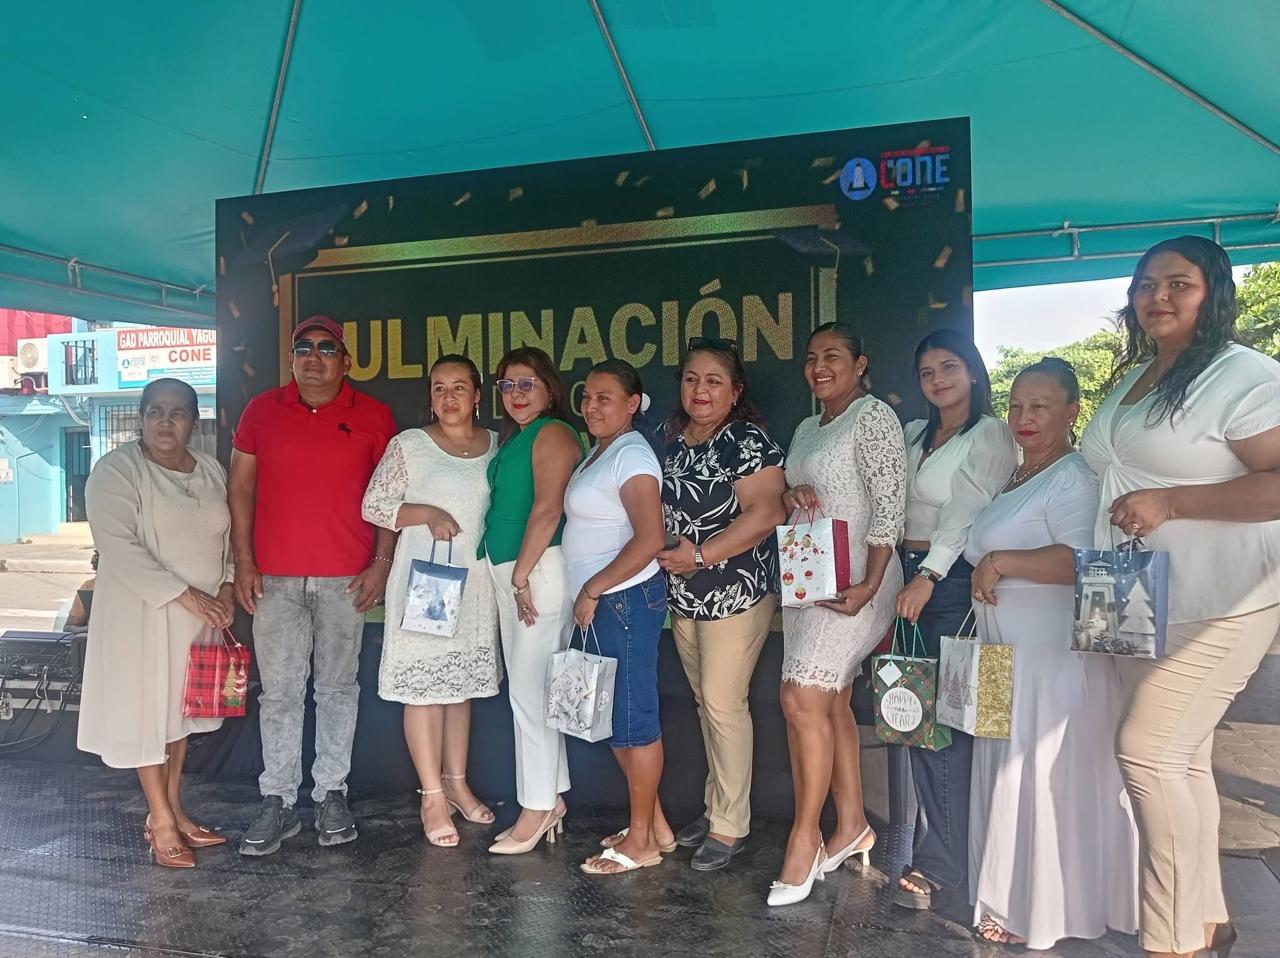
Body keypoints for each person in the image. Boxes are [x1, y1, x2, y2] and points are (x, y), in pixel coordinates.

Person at [1080, 236, 1280, 958]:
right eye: (1144, 284)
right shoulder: (1136, 377)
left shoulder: (1243, 374)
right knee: (1184, 757)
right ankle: (1206, 922)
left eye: (1177, 284)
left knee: (1147, 751)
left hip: (1222, 597)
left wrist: (1172, 500)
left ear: (1213, 292)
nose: (1156, 296)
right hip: (1122, 586)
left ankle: (1169, 943)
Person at [966, 358, 1138, 949]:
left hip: (1048, 656)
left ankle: (1039, 908)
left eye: (1040, 406)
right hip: (999, 651)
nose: (1025, 417)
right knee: (1000, 765)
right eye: (1016, 405)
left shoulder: (1073, 477)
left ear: (1072, 411)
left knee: (1034, 771)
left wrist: (1001, 561)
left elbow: (1083, 561)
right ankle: (1002, 892)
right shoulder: (1016, 476)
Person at [229, 315, 397, 856]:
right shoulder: (261, 411)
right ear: (292, 358)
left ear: (345, 361)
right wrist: (243, 561)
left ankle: (330, 794)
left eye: (327, 349)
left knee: (337, 690)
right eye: (304, 348)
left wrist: (381, 563)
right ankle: (277, 799)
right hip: (273, 579)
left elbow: (389, 499)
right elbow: (240, 489)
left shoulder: (373, 416)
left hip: (347, 578)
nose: (314, 358)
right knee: (279, 693)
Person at [769, 324, 905, 906]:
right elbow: (795, 491)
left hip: (859, 578)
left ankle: (806, 837)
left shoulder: (873, 418)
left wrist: (870, 584)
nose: (819, 366)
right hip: (811, 574)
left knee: (800, 698)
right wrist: (791, 494)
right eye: (811, 357)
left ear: (860, 364)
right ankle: (851, 825)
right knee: (830, 702)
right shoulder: (807, 427)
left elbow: (890, 508)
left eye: (832, 356)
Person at [78, 378, 235, 868]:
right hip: (143, 617)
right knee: (148, 714)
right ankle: (161, 820)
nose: (166, 422)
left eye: (177, 413)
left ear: (193, 421)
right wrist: (188, 596)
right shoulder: (117, 470)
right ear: (142, 417)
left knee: (179, 716)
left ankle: (176, 809)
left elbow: (229, 539)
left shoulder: (210, 469)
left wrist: (227, 587)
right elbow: (119, 548)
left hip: (200, 620)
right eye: (156, 412)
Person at [894, 328, 1017, 910]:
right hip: (906, 577)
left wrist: (930, 574)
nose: (938, 380)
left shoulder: (990, 433)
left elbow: (967, 511)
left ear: (972, 371)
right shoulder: (913, 433)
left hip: (955, 584)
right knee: (917, 721)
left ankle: (948, 863)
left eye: (949, 367)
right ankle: (946, 852)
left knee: (958, 724)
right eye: (927, 372)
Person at [657, 336, 787, 871]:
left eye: (714, 381)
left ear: (735, 392)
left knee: (721, 702)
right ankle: (716, 810)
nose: (700, 390)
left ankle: (731, 825)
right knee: (705, 704)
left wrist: (701, 555)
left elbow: (768, 512)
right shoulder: (671, 440)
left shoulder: (746, 440)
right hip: (684, 593)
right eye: (692, 379)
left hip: (737, 589)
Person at [361, 355, 501, 848]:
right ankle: (432, 796)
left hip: (477, 584)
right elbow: (374, 504)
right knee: (424, 689)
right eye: (439, 388)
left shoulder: (496, 445)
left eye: (459, 387)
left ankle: (457, 784)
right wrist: (427, 512)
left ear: (477, 394)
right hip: (427, 584)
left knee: (458, 687)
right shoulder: (410, 445)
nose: (448, 397)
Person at [563, 360, 670, 875]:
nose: (591, 406)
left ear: (632, 404)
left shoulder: (632, 454)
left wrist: (593, 588)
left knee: (633, 720)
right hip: (607, 604)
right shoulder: (601, 452)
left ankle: (643, 842)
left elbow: (650, 539)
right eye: (587, 396)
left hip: (623, 601)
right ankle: (654, 826)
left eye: (604, 397)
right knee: (614, 718)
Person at [479, 347, 584, 855]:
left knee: (528, 692)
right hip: (516, 574)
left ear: (549, 387)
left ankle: (537, 807)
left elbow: (548, 509)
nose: (516, 394)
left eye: (527, 383)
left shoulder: (554, 432)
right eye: (507, 385)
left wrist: (521, 576)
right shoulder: (517, 438)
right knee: (533, 689)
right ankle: (552, 795)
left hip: (536, 572)